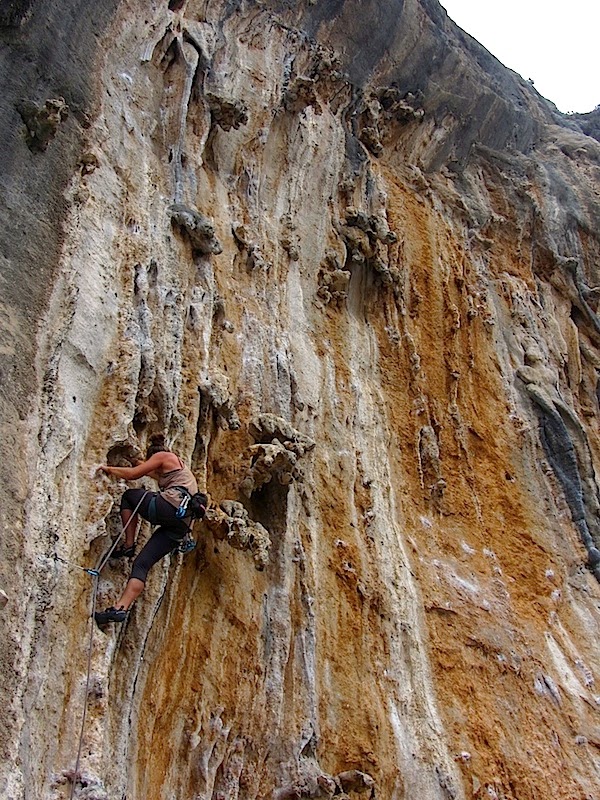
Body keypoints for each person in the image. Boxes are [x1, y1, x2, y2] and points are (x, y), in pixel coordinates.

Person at [95, 439, 207, 624]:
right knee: (141, 565)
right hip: (181, 527)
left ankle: (128, 545)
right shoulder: (179, 470)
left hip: (168, 507)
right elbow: (146, 469)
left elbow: (133, 475)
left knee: (129, 497)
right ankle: (120, 609)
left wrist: (108, 469)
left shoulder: (164, 456)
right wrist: (134, 460)